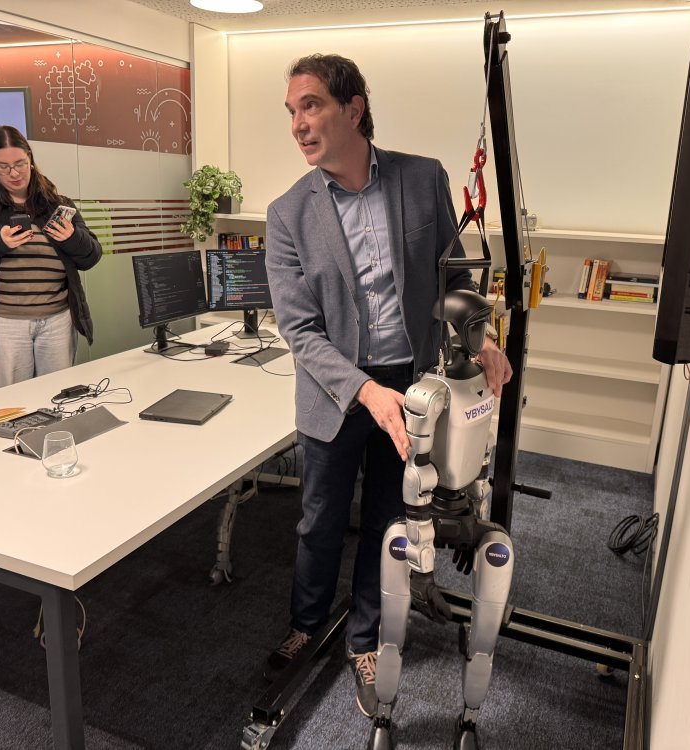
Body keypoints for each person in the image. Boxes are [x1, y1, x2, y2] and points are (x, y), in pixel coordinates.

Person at [263, 54, 513, 717]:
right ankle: (307, 622)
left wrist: (481, 338)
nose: (298, 124)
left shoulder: (422, 178)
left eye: (311, 105)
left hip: (410, 384)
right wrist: (364, 392)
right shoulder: (288, 213)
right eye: (291, 111)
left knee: (389, 516)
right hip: (336, 393)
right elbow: (300, 329)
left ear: (353, 109)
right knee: (320, 520)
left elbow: (456, 278)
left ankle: (365, 637)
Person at [0, 125, 101, 389]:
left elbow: (91, 256)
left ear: (30, 159)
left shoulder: (57, 203)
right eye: (3, 167)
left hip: (58, 319)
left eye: (20, 164)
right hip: (4, 323)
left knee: (57, 395)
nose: (14, 173)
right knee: (12, 402)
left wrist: (72, 237)